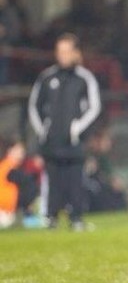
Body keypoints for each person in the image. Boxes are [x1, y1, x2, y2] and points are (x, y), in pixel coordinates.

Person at [28, 33, 102, 231]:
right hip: (51, 141)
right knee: (53, 182)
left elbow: (94, 108)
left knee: (74, 181)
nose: (63, 55)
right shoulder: (47, 77)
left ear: (76, 53)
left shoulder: (84, 78)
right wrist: (43, 130)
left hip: (74, 142)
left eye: (67, 51)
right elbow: (34, 105)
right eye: (60, 51)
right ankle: (50, 217)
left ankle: (76, 218)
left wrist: (77, 128)